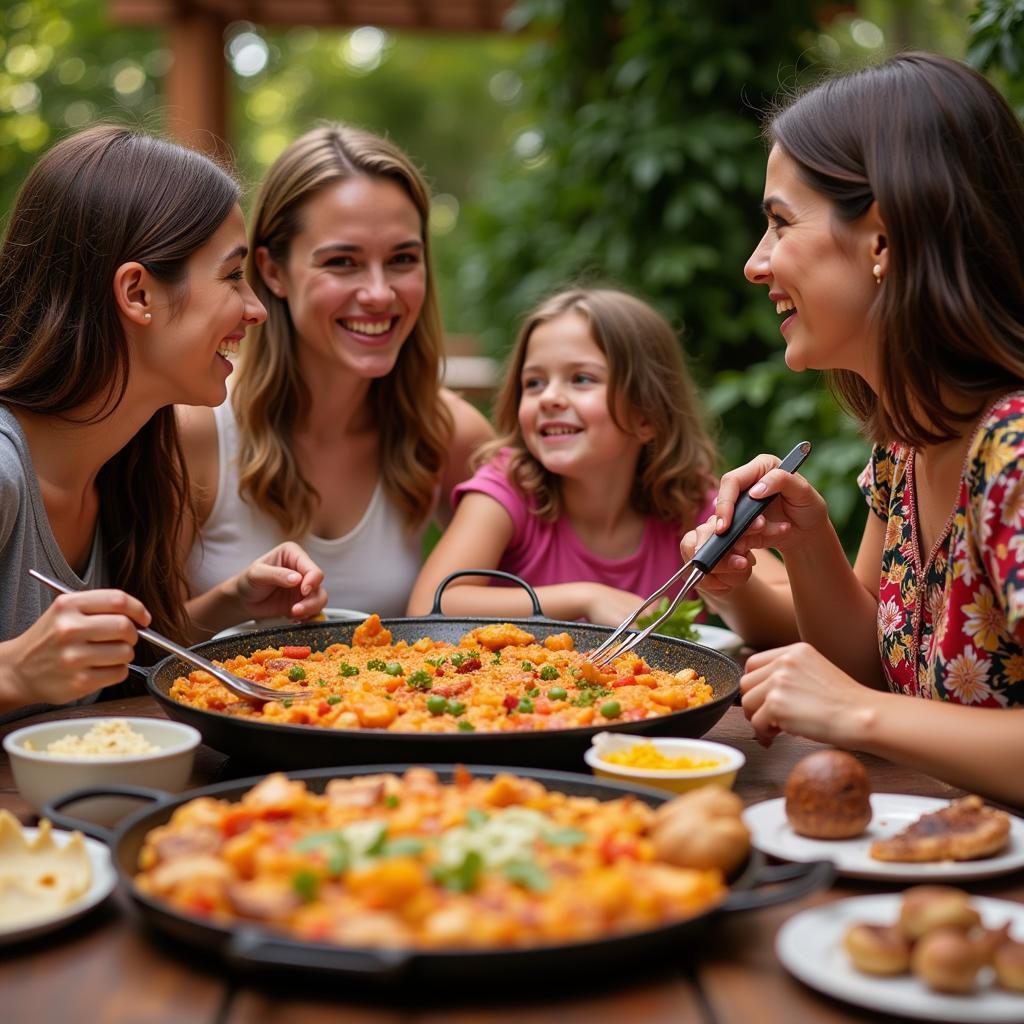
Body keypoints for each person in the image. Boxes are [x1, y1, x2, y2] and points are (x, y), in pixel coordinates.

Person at [682, 52, 1024, 806]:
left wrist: (854, 714)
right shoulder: (907, 443)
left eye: (778, 224)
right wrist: (805, 546)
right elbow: (872, 664)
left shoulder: (1015, 453)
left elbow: (861, 699)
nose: (754, 263)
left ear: (884, 242)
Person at [0, 125, 327, 721]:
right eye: (231, 277)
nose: (255, 309)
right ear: (137, 293)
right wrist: (14, 671)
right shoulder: (5, 475)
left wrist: (232, 604)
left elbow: (118, 659)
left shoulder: (129, 460)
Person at [181, 124, 493, 617]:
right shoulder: (196, 428)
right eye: (343, 261)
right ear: (273, 272)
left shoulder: (449, 433)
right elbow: (137, 651)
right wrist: (234, 602)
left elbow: (535, 587)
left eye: (402, 259)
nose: (379, 293)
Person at [408, 286, 795, 644]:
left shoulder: (689, 503)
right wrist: (586, 598)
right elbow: (427, 610)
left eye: (580, 378)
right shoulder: (507, 488)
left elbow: (793, 619)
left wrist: (731, 581)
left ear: (646, 415)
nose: (550, 398)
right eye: (534, 383)